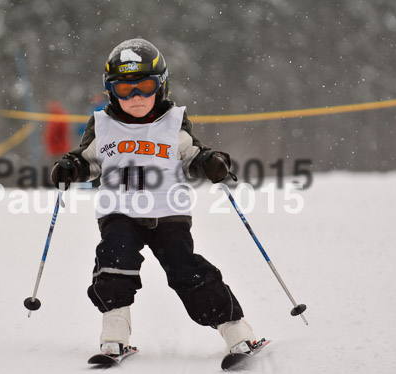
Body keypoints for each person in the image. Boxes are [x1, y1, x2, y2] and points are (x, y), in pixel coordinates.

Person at [50, 38, 257, 357]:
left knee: (184, 269)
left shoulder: (172, 124)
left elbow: (194, 155)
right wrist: (70, 167)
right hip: (120, 211)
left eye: (144, 86)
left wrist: (212, 163)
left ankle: (234, 327)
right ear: (110, 91)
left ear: (161, 87)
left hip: (168, 212)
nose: (135, 97)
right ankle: (115, 329)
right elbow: (88, 161)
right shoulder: (103, 126)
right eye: (124, 89)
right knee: (114, 261)